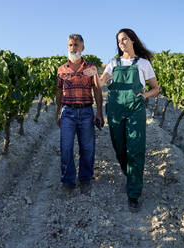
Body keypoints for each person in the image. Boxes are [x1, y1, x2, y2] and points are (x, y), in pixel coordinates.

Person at [99, 28, 160, 212]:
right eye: (118, 41)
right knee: (119, 148)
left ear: (132, 40)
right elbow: (101, 83)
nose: (121, 43)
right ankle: (128, 172)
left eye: (124, 39)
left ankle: (134, 194)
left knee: (135, 149)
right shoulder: (113, 63)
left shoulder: (143, 63)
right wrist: (92, 73)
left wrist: (145, 95)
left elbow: (156, 88)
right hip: (115, 110)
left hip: (135, 110)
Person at [56, 34, 104, 194]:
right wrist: (57, 113)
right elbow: (58, 92)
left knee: (88, 148)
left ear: (82, 48)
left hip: (86, 112)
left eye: (76, 45)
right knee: (66, 148)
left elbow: (97, 90)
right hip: (67, 112)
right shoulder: (62, 69)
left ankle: (85, 179)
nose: (73, 48)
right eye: (70, 45)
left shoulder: (90, 68)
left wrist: (99, 112)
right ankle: (68, 182)